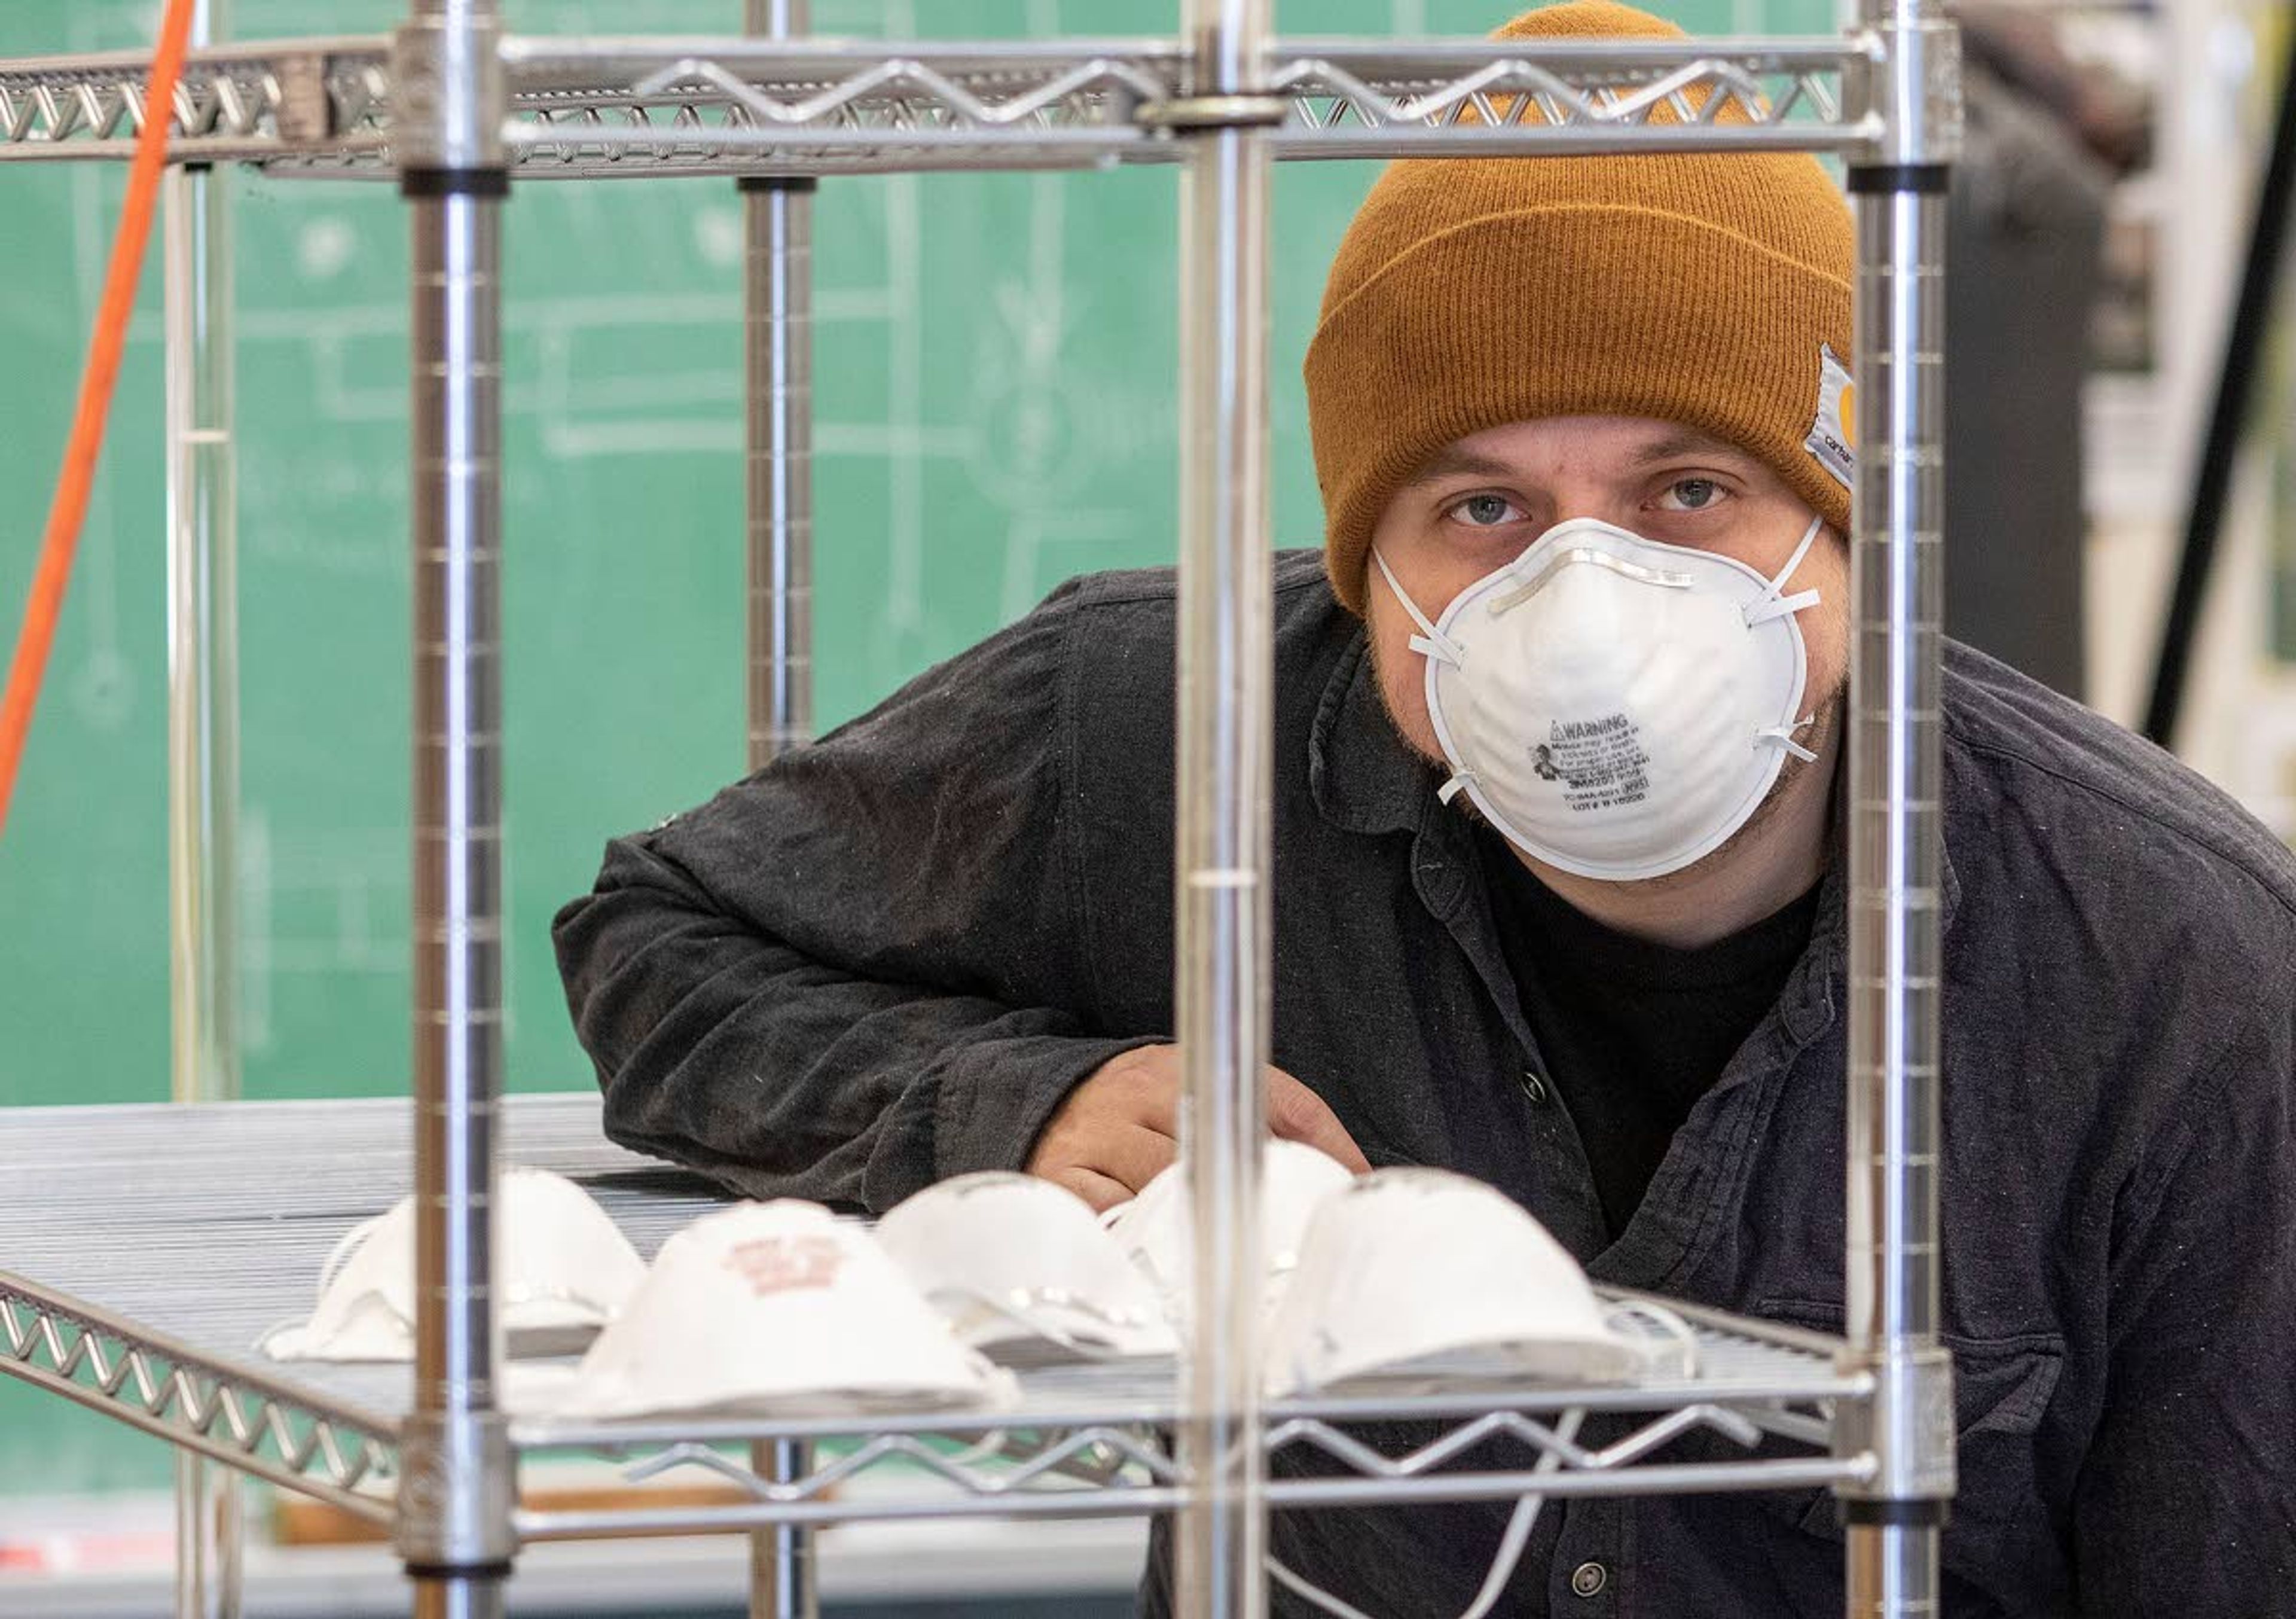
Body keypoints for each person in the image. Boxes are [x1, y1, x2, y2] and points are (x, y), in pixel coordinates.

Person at [554, 2, 2296, 1612]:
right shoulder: (1166, 732)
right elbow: (659, 939)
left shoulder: (2177, 978)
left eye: (1691, 489)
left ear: (1851, 536)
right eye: (1480, 506)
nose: (1588, 599)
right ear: (1363, 569)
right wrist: (1010, 1108)